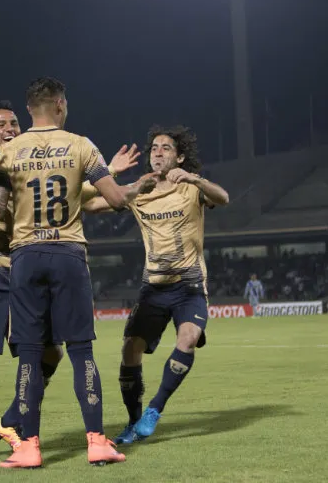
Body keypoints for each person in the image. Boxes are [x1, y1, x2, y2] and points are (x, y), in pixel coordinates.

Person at [0, 77, 157, 468]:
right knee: (80, 351)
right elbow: (112, 199)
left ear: (29, 110)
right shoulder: (82, 145)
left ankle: (28, 447)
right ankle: (96, 441)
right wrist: (138, 188)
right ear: (60, 105)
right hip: (68, 255)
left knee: (28, 354)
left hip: (25, 257)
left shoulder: (9, 152)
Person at [82, 124, 229, 444]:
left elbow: (224, 197)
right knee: (129, 352)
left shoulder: (192, 188)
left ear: (179, 157)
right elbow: (87, 205)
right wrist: (108, 173)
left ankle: (154, 409)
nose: (158, 152)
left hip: (189, 287)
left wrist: (194, 177)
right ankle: (134, 422)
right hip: (154, 289)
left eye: (166, 148)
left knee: (188, 339)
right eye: (155, 148)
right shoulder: (138, 189)